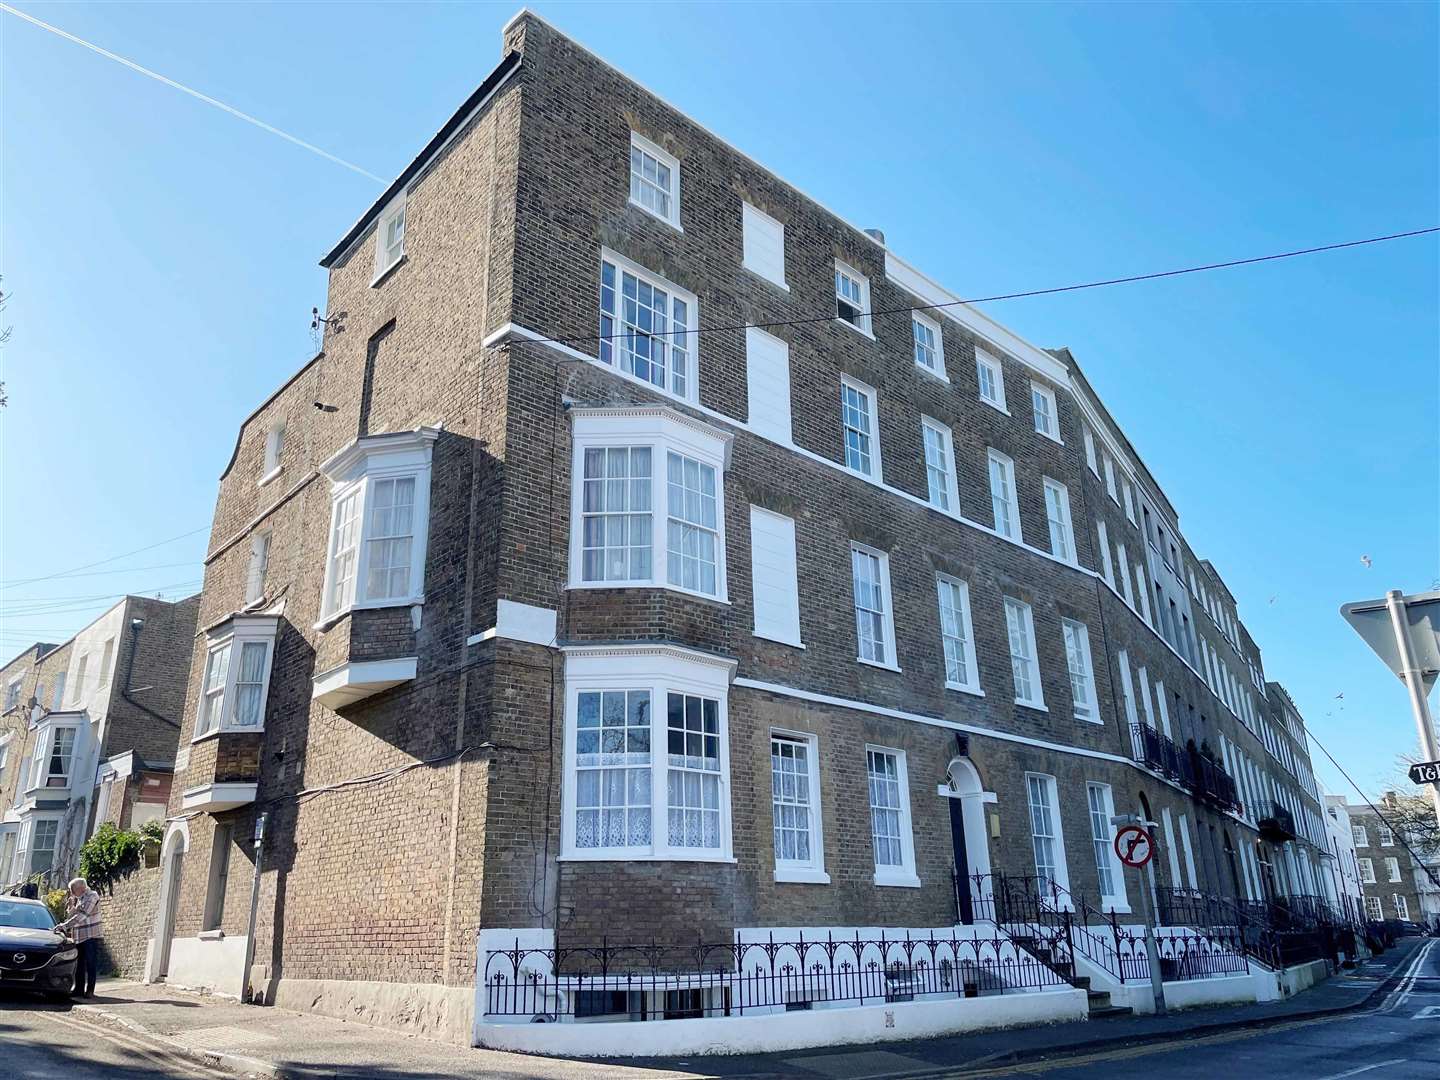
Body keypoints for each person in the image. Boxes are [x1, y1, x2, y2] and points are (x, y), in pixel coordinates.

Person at [55, 877, 102, 997]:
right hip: (79, 936)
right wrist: (71, 905)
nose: (71, 892)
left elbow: (83, 915)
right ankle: (78, 989)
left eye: (72, 890)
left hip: (90, 935)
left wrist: (64, 926)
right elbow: (70, 915)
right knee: (79, 964)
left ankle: (90, 990)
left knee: (91, 963)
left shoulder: (92, 896)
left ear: (80, 888)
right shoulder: (78, 899)